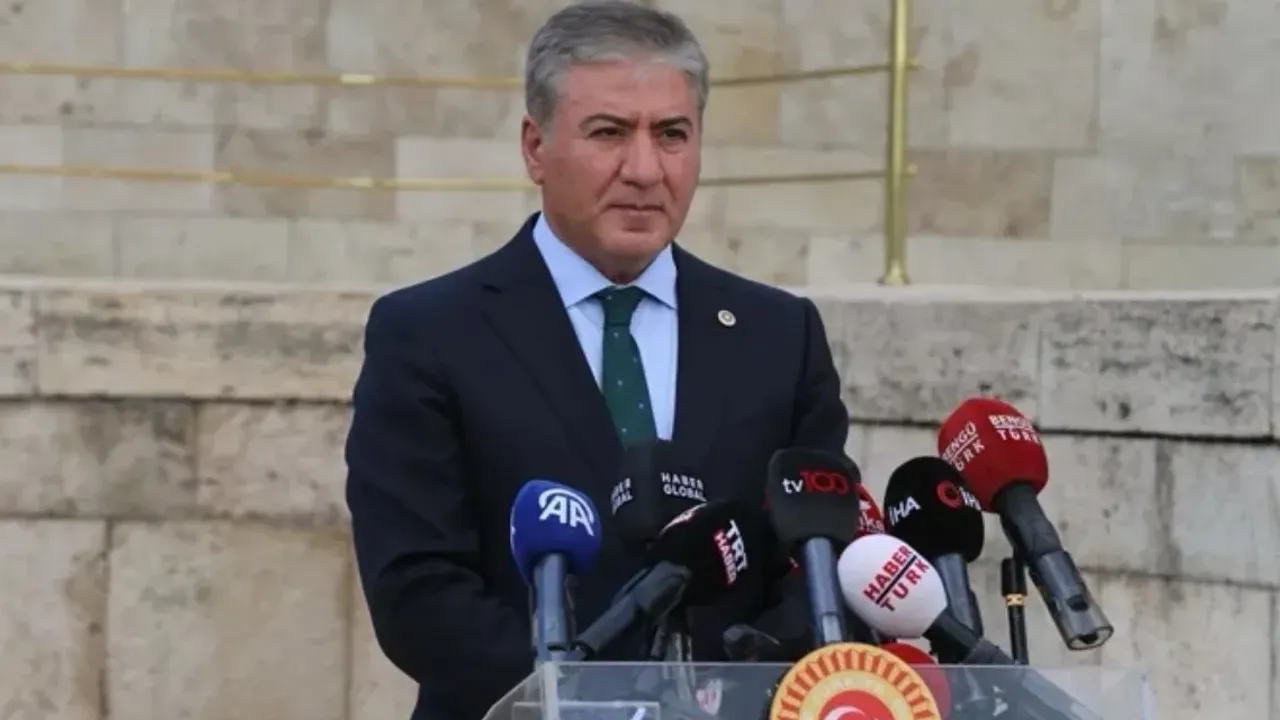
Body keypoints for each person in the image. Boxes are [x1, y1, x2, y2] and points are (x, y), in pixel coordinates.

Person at [345, 2, 850, 719]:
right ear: (535, 147)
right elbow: (418, 592)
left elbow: (817, 563)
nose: (644, 169)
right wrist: (590, 705)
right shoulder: (429, 333)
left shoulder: (780, 334)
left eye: (671, 134)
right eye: (609, 132)